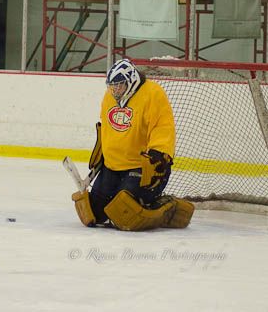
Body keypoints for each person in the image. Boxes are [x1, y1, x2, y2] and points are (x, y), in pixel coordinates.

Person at [71, 59, 194, 231]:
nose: (115, 91)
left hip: (141, 167)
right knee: (95, 213)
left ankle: (167, 207)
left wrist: (159, 154)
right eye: (112, 86)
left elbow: (162, 126)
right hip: (112, 166)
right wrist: (102, 151)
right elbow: (107, 127)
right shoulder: (110, 96)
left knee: (125, 212)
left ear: (131, 80)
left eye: (119, 86)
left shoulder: (152, 93)